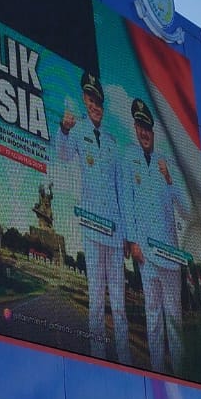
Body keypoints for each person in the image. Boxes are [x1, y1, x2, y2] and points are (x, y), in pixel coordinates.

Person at [57, 71, 130, 362]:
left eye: (98, 101)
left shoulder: (112, 142)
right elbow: (63, 155)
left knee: (119, 303)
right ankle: (97, 357)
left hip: (115, 231)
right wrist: (63, 130)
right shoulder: (77, 131)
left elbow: (122, 190)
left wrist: (126, 235)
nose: (95, 106)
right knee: (97, 299)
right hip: (92, 227)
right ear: (84, 100)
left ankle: (125, 360)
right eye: (90, 100)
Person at [123, 97, 189, 375]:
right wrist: (131, 241)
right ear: (135, 128)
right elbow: (127, 202)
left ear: (153, 130)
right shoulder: (129, 158)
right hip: (145, 253)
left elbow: (186, 209)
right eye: (139, 127)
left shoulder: (167, 161)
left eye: (147, 127)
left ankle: (181, 373)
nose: (144, 132)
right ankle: (157, 371)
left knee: (173, 316)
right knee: (152, 314)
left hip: (169, 254)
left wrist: (170, 178)